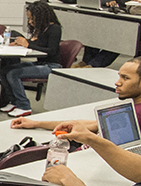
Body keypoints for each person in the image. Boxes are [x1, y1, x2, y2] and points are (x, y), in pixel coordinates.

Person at [12, 57, 141, 133]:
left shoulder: (136, 114)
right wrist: (36, 123)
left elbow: (86, 128)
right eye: (119, 77)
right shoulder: (132, 109)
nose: (117, 83)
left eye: (125, 78)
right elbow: (91, 125)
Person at [0, 0, 62, 117]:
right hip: (40, 63)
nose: (30, 22)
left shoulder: (55, 29)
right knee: (4, 70)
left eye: (32, 19)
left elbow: (51, 51)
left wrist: (28, 44)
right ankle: (14, 101)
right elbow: (35, 44)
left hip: (52, 67)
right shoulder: (42, 29)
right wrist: (19, 43)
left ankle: (24, 105)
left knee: (13, 74)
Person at [81, 0, 141, 68]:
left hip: (134, 26)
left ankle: (93, 65)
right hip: (119, 21)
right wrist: (109, 2)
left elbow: (135, 5)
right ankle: (86, 62)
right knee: (94, 32)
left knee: (115, 40)